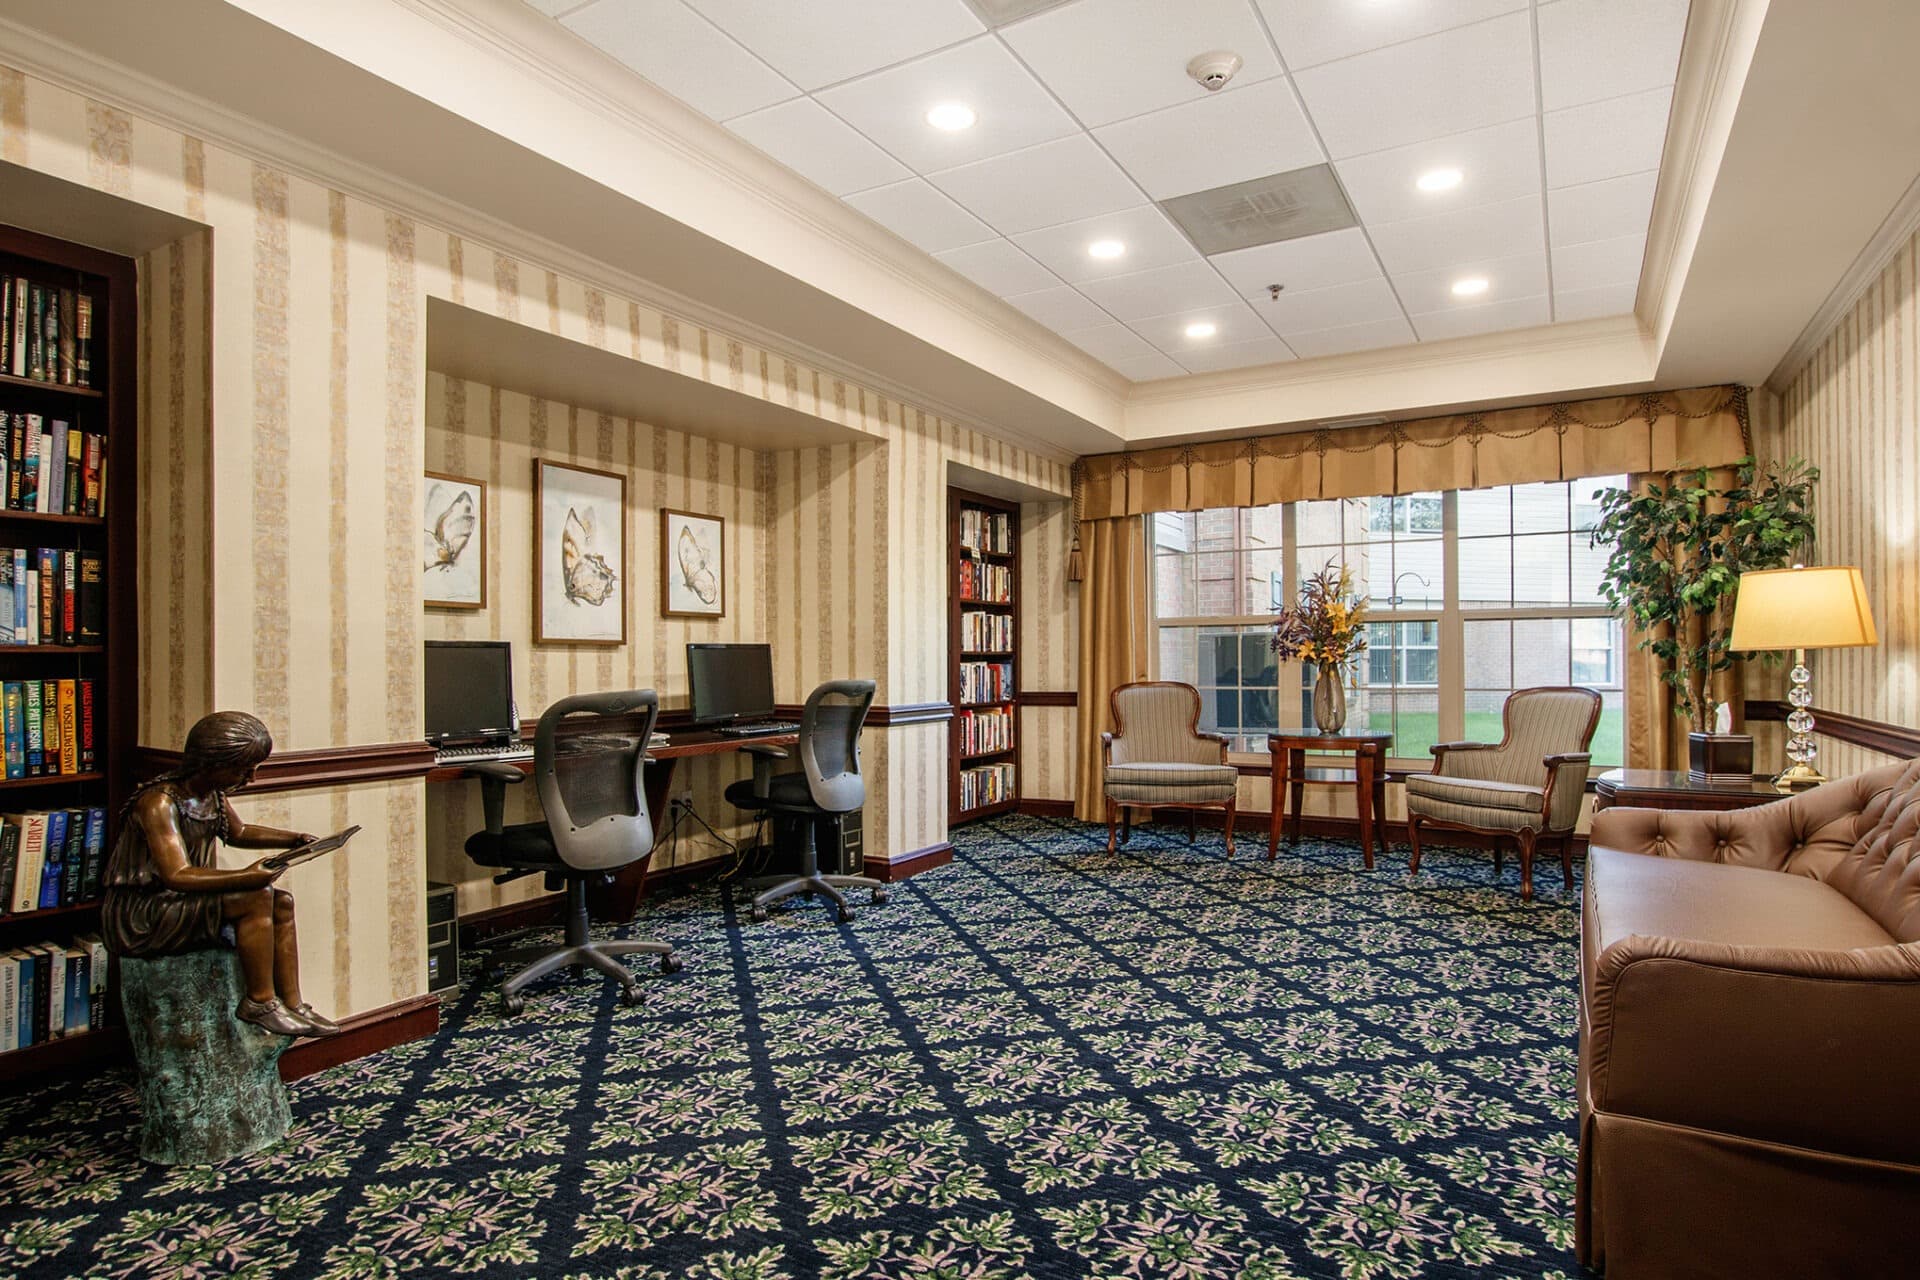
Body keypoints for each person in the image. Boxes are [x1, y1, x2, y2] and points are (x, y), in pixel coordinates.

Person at [102, 711, 340, 1037]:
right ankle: (260, 1002)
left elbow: (238, 832)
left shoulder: (212, 795)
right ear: (210, 764)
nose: (251, 778)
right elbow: (177, 875)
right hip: (147, 912)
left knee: (282, 902)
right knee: (257, 896)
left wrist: (293, 839)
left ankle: (293, 1003)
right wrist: (247, 877)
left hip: (183, 901)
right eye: (243, 770)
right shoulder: (159, 803)